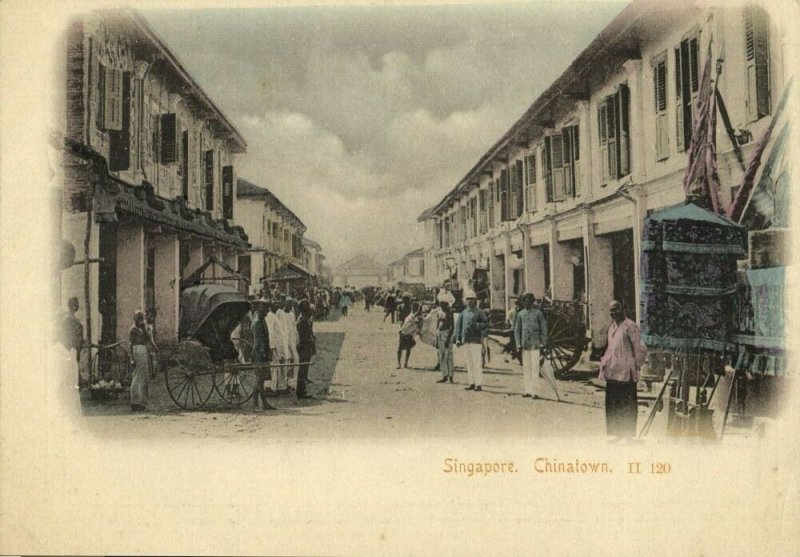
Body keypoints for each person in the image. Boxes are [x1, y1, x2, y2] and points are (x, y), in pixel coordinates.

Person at [599, 300, 647, 440]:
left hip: (626, 371)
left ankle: (628, 434)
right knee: (614, 402)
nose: (613, 313)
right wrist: (604, 364)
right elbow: (610, 349)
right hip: (613, 371)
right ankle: (616, 433)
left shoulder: (630, 326)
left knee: (627, 403)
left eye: (616, 310)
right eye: (611, 311)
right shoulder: (611, 329)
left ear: (622, 310)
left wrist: (637, 366)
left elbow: (639, 348)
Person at [515, 293, 560, 401]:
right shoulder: (520, 314)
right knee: (526, 368)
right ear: (523, 302)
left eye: (529, 300)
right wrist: (518, 345)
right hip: (525, 345)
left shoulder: (538, 314)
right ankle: (527, 390)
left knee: (535, 369)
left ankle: (535, 392)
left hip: (535, 345)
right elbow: (517, 331)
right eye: (525, 300)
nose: (527, 302)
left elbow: (544, 329)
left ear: (533, 301)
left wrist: (542, 343)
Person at [453, 289, 488, 391]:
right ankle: (471, 382)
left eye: (472, 299)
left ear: (475, 300)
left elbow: (485, 324)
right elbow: (458, 327)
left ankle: (478, 384)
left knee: (477, 363)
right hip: (466, 341)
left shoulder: (480, 312)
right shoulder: (463, 313)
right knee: (469, 363)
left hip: (476, 341)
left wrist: (477, 325)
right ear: (466, 301)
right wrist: (458, 339)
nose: (470, 301)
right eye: (468, 299)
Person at [129, 310, 156, 411]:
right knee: (137, 376)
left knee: (144, 377)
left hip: (144, 351)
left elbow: (148, 339)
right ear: (134, 319)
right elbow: (130, 344)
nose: (140, 321)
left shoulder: (142, 329)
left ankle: (142, 402)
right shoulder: (133, 330)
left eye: (141, 319)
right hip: (137, 351)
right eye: (138, 318)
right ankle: (134, 402)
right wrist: (131, 358)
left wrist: (154, 347)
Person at [250, 299, 274, 410]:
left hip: (263, 353)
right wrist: (265, 354)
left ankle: (264, 403)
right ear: (261, 309)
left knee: (261, 380)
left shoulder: (262, 320)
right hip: (259, 354)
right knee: (259, 379)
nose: (268, 312)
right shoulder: (257, 322)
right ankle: (257, 403)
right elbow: (258, 343)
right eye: (266, 310)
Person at [266, 299, 288, 394]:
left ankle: (280, 387)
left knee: (279, 365)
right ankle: (269, 387)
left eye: (277, 304)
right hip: (274, 345)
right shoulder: (270, 316)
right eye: (274, 304)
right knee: (273, 366)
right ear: (270, 307)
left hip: (279, 345)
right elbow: (270, 332)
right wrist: (272, 346)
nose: (277, 306)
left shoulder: (275, 316)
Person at [295, 299, 316, 399]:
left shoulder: (303, 319)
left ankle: (301, 390)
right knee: (302, 369)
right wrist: (310, 340)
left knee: (304, 369)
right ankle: (301, 391)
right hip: (304, 347)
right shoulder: (302, 321)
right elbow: (303, 337)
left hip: (305, 346)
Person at [432, 295, 455, 383]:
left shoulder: (450, 313)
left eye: (443, 304)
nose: (442, 305)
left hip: (447, 334)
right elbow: (437, 325)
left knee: (448, 356)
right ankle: (444, 375)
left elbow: (452, 327)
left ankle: (451, 376)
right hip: (440, 333)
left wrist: (448, 339)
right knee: (441, 356)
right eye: (441, 304)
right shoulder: (439, 312)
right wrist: (437, 339)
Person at [279, 296, 299, 391]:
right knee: (284, 363)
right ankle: (283, 385)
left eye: (291, 304)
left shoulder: (291, 314)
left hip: (292, 341)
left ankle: (292, 383)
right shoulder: (280, 313)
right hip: (284, 342)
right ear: (284, 304)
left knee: (295, 361)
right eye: (289, 303)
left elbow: (294, 328)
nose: (290, 306)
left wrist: (295, 339)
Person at [397, 301, 421, 369]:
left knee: (404, 348)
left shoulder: (412, 316)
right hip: (404, 333)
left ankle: (404, 363)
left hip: (406, 334)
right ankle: (401, 364)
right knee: (402, 349)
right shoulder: (411, 315)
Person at [145, 307, 159, 379]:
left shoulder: (149, 325)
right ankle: (152, 375)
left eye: (153, 317)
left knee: (152, 359)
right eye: (151, 316)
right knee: (153, 358)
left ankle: (152, 374)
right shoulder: (147, 326)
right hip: (148, 344)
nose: (152, 319)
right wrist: (154, 345)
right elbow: (150, 338)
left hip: (148, 344)